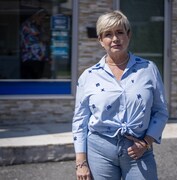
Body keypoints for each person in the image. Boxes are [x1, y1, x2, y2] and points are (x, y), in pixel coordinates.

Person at [72, 10, 168, 180]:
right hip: (99, 151)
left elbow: (160, 111)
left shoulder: (148, 69)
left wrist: (146, 142)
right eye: (108, 34)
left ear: (128, 35)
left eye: (120, 32)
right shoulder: (88, 76)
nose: (115, 39)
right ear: (101, 40)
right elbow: (80, 120)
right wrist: (81, 163)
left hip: (138, 149)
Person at [20, 8, 51, 79]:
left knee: (37, 80)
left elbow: (45, 39)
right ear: (35, 16)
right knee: (30, 82)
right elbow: (43, 38)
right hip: (30, 59)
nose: (43, 20)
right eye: (42, 18)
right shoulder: (27, 26)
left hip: (39, 59)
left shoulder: (38, 26)